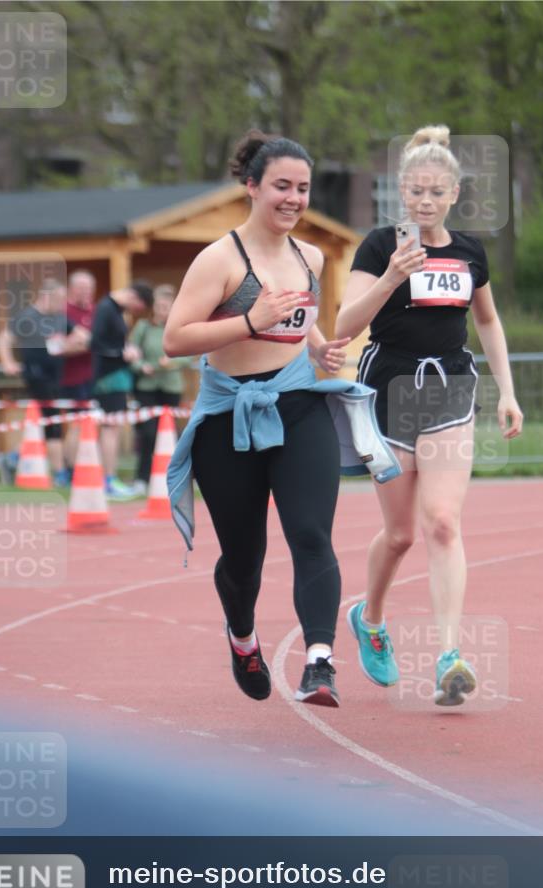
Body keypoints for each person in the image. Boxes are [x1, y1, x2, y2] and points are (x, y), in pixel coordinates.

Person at [164, 130, 400, 708]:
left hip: (297, 407)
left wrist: (318, 348)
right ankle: (243, 638)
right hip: (230, 418)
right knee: (244, 558)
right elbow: (175, 339)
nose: (294, 198)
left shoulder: (310, 256)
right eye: (282, 187)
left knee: (312, 535)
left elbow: (301, 315)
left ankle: (320, 663)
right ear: (252, 187)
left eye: (303, 188)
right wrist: (251, 320)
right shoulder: (219, 260)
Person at [335, 124, 523, 707]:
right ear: (402, 191)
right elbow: (343, 325)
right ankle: (370, 618)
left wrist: (509, 392)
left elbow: (486, 321)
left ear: (454, 194)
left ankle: (449, 656)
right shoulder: (377, 247)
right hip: (388, 391)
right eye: (415, 191)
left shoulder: (469, 252)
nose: (424, 201)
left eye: (435, 192)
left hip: (449, 389)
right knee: (400, 535)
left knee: (442, 522)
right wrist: (393, 274)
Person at [0, 279, 70, 485]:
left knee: (45, 423)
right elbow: (3, 339)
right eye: (59, 299)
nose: (61, 303)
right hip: (36, 375)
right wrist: (8, 362)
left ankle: (12, 458)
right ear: (46, 296)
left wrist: (72, 344)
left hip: (56, 376)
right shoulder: (28, 317)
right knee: (51, 422)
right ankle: (60, 473)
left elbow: (80, 335)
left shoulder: (58, 317)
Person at [90, 280, 153, 499]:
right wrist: (123, 354)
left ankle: (109, 478)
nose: (135, 312)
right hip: (109, 378)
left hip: (115, 376)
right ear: (134, 296)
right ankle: (108, 480)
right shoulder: (106, 308)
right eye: (137, 308)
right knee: (111, 428)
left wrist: (126, 349)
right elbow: (96, 343)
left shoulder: (114, 309)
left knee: (112, 428)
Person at [131, 284, 193, 496]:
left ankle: (176, 478)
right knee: (148, 434)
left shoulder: (179, 327)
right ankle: (142, 479)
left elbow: (189, 355)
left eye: (167, 306)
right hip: (147, 387)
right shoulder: (143, 327)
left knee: (171, 434)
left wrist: (172, 362)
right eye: (159, 306)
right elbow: (131, 353)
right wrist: (141, 366)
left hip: (171, 386)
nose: (162, 310)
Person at [61, 270, 97, 477]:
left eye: (89, 288)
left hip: (93, 377)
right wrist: (91, 344)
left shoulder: (95, 311)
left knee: (88, 423)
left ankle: (81, 466)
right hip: (69, 377)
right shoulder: (62, 311)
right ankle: (70, 469)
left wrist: (87, 342)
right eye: (81, 288)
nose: (85, 292)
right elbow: (57, 347)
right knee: (75, 423)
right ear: (71, 289)